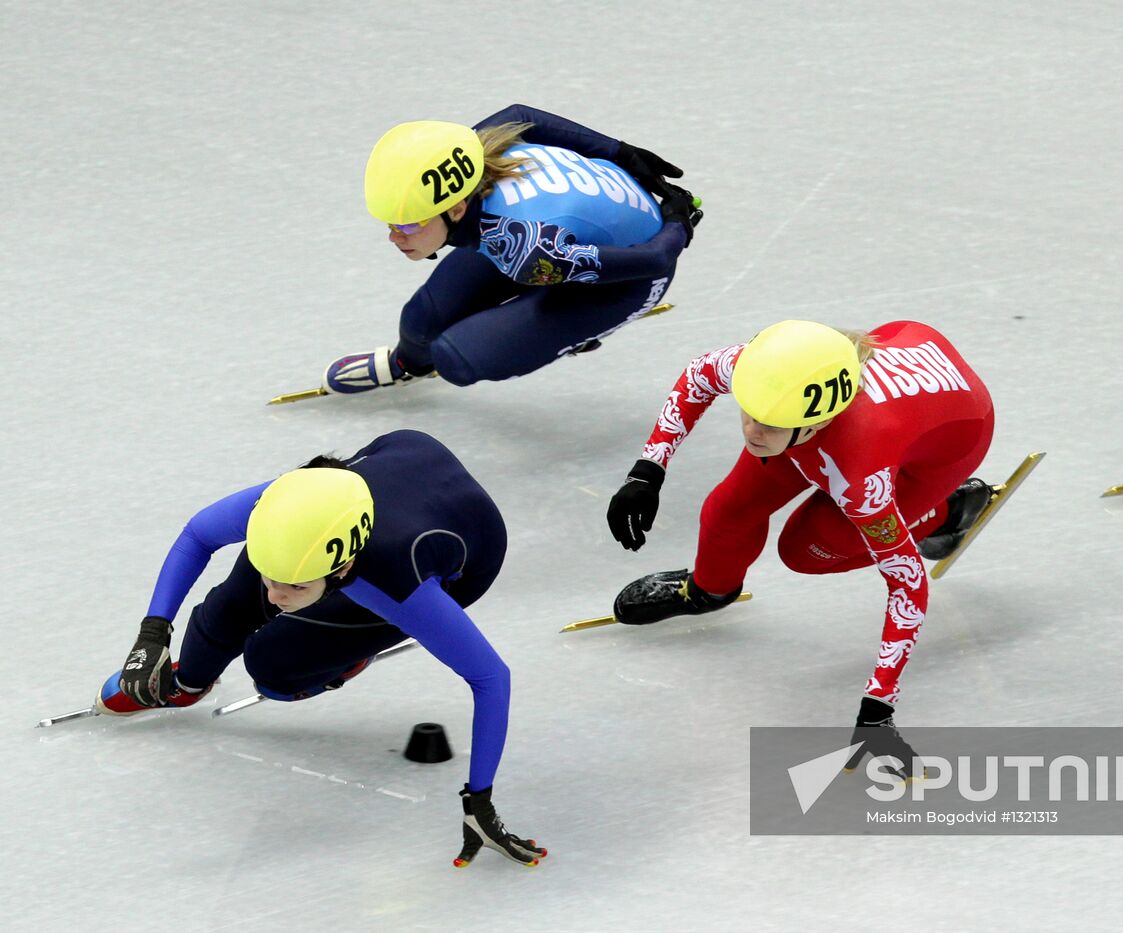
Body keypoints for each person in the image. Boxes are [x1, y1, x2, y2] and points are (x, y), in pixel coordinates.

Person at [97, 429, 544, 868]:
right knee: (226, 609)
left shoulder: (393, 583)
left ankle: (347, 654)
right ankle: (188, 683)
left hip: (465, 557)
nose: (274, 595)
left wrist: (478, 800)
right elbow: (198, 535)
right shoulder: (286, 503)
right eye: (270, 574)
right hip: (401, 456)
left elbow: (491, 678)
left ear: (342, 568)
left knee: (274, 669)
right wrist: (152, 635)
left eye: (292, 585)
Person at [605, 320, 996, 777]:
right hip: (901, 365)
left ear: (822, 419)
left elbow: (907, 585)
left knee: (806, 550)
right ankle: (710, 590)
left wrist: (878, 709)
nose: (751, 430)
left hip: (949, 440)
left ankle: (945, 511)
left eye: (768, 424)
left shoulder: (860, 478)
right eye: (747, 411)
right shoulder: (767, 372)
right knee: (726, 510)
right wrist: (647, 471)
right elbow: (697, 377)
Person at [321, 105, 702, 395]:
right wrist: (622, 151)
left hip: (630, 276)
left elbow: (655, 259)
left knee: (457, 357)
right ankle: (407, 363)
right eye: (390, 223)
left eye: (408, 223)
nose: (394, 237)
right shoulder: (470, 153)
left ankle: (571, 330)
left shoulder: (524, 248)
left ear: (456, 208)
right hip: (559, 238)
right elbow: (521, 116)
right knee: (423, 320)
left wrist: (678, 222)